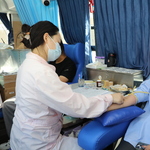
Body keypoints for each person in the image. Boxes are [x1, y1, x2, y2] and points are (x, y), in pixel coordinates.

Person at [9, 21, 126, 150]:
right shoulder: (41, 72)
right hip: (40, 143)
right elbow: (77, 106)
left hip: (23, 136)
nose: (59, 47)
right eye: (58, 41)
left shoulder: (27, 64)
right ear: (46, 37)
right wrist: (110, 98)